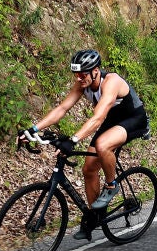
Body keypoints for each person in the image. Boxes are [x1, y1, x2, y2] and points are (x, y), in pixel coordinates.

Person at [28, 49, 149, 240]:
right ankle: (95, 216)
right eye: (76, 74)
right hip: (111, 121)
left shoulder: (111, 81)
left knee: (102, 146)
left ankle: (111, 185)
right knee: (89, 170)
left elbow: (99, 116)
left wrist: (73, 140)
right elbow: (62, 108)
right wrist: (33, 129)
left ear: (96, 70)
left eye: (83, 74)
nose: (79, 78)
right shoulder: (82, 84)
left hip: (134, 119)